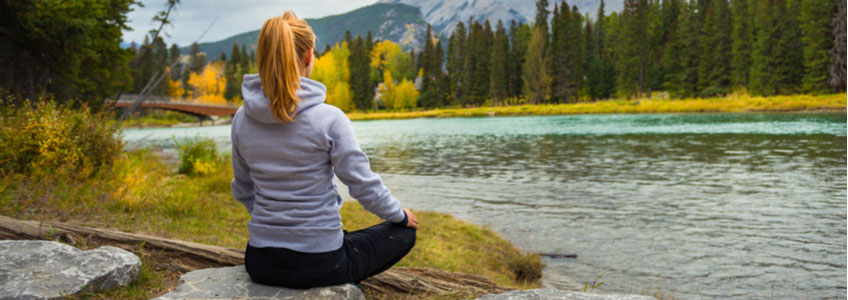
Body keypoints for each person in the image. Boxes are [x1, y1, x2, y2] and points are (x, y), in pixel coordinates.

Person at [230, 11, 418, 289]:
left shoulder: (241, 118)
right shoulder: (329, 118)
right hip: (320, 264)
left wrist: (275, 227)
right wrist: (400, 215)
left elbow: (243, 188)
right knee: (403, 234)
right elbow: (362, 185)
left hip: (261, 262)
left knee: (345, 238)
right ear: (308, 57)